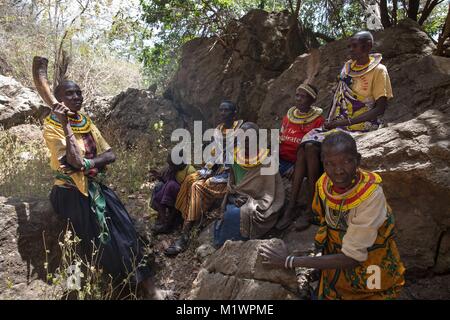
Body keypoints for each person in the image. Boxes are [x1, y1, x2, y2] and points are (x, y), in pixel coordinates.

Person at [44, 80, 162, 299]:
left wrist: (88, 164)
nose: (77, 96)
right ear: (59, 99)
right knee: (81, 244)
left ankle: (150, 290)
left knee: (126, 230)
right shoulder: (51, 126)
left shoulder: (85, 121)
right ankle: (78, 291)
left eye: (79, 92)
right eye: (70, 94)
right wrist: (65, 124)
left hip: (94, 186)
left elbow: (109, 155)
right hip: (69, 192)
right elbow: (72, 160)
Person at [259, 131, 405, 300]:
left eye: (347, 161)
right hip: (337, 270)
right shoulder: (324, 184)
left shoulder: (370, 196)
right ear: (323, 163)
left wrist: (289, 261)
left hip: (372, 270)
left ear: (358, 160)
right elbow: (327, 226)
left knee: (372, 292)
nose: (339, 171)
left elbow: (352, 258)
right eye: (330, 164)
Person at [289, 30, 394, 230]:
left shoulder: (380, 71)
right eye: (350, 46)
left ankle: (311, 210)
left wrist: (343, 123)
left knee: (314, 148)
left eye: (355, 46)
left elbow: (380, 109)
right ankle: (298, 206)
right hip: (339, 123)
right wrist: (330, 121)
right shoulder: (347, 68)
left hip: (363, 125)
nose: (351, 50)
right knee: (307, 144)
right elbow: (339, 98)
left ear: (368, 47)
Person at [165, 100, 243, 256]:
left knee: (197, 186)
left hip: (231, 175)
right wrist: (206, 169)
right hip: (217, 169)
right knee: (190, 179)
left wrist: (223, 178)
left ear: (234, 114)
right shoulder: (218, 130)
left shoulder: (241, 132)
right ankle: (183, 219)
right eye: (221, 110)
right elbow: (215, 155)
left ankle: (185, 233)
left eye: (226, 110)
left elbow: (236, 161)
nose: (222, 113)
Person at [214, 122, 285, 248]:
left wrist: (250, 201)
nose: (245, 141)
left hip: (257, 203)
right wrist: (234, 198)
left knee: (235, 214)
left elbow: (270, 193)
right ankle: (223, 247)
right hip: (236, 199)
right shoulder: (234, 157)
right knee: (227, 214)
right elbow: (232, 187)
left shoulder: (266, 160)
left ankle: (236, 246)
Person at [276, 84, 325, 230]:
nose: (298, 99)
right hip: (284, 161)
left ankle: (298, 208)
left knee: (306, 147)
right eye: (297, 95)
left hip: (305, 163)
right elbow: (280, 139)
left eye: (303, 97)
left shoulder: (318, 121)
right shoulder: (289, 117)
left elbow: (316, 148)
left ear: (312, 100)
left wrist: (295, 166)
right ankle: (290, 209)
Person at [149, 152, 196, 235]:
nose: (170, 167)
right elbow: (165, 180)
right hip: (173, 192)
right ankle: (163, 220)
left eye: (172, 164)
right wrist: (159, 176)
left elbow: (191, 193)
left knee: (171, 185)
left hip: (184, 197)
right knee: (159, 191)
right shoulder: (172, 169)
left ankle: (169, 224)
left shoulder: (190, 171)